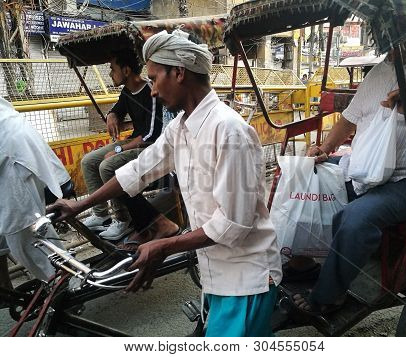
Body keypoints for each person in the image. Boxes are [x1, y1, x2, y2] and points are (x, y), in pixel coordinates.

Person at [48, 29, 282, 337]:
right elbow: (138, 171)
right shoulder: (180, 128)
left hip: (246, 278)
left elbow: (233, 224)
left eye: (155, 78)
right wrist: (81, 204)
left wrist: (165, 244)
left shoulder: (229, 131)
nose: (153, 91)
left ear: (179, 73)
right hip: (216, 274)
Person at [292, 31, 406, 315]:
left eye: (392, 35)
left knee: (354, 219)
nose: (385, 43)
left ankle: (329, 296)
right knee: (299, 176)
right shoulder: (381, 70)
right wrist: (325, 148)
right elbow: (350, 118)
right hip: (362, 167)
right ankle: (301, 263)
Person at [81, 50, 179, 243]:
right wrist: (112, 114)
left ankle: (122, 219)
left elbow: (151, 134)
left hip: (150, 145)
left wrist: (118, 150)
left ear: (126, 70)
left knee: (108, 166)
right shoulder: (127, 92)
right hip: (134, 140)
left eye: (112, 69)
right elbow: (118, 108)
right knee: (88, 161)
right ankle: (101, 214)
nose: (110, 73)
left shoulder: (150, 91)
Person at [0, 97, 71, 290]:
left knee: (26, 238)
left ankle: (65, 288)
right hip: (11, 149)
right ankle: (4, 289)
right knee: (10, 236)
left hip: (10, 159)